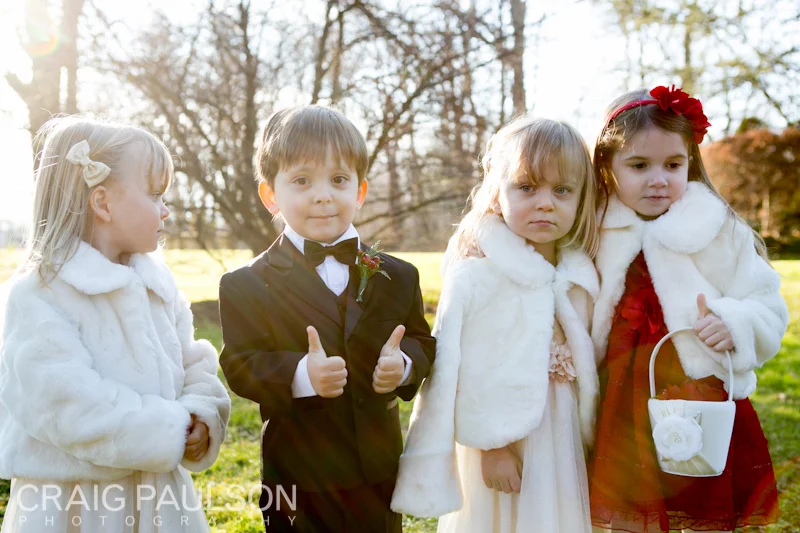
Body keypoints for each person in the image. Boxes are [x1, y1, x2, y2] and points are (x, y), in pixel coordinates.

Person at [0, 116, 231, 533]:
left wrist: (199, 413)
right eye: (155, 195)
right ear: (102, 202)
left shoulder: (156, 283)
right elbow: (66, 404)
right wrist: (168, 429)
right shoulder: (40, 294)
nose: (166, 210)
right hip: (74, 503)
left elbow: (192, 357)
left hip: (159, 499)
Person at [217, 105, 436, 532]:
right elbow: (240, 364)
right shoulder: (246, 284)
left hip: (376, 470)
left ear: (360, 190)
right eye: (302, 181)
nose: (323, 195)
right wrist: (300, 373)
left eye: (338, 180)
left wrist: (404, 365)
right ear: (270, 195)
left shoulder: (398, 275)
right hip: (297, 477)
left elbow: (421, 341)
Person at [588, 86, 788, 533]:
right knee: (628, 503)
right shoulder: (596, 232)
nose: (658, 179)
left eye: (673, 165)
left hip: (700, 389)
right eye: (639, 165)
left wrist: (735, 325)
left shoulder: (719, 230)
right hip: (621, 392)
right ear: (607, 166)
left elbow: (766, 305)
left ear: (691, 164)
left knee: (699, 498)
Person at [391, 116, 600, 533]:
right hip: (501, 434)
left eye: (562, 190)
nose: (545, 203)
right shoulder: (478, 276)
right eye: (527, 187)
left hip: (562, 434)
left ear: (581, 198)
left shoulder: (581, 273)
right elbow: (458, 368)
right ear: (497, 193)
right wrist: (492, 445)